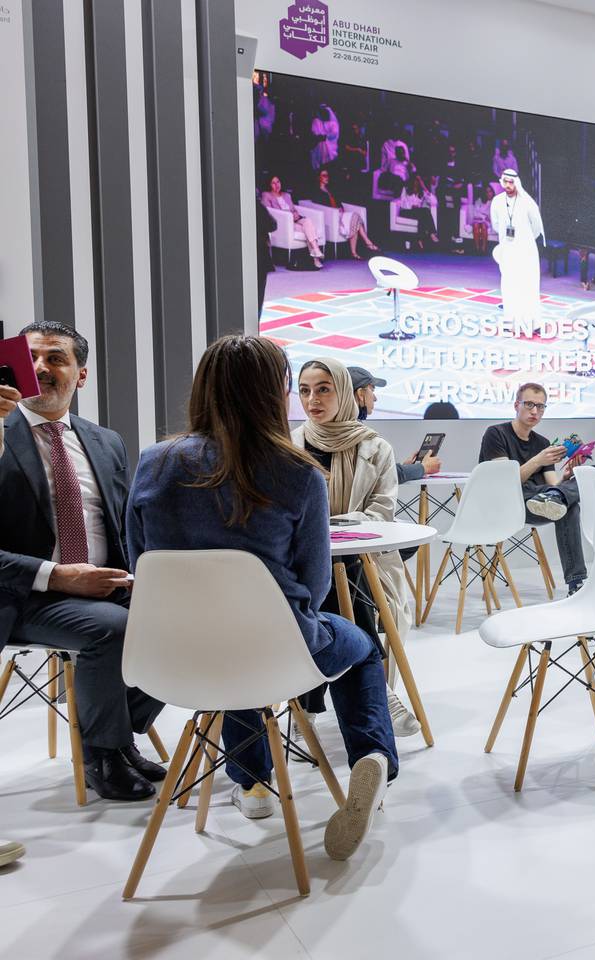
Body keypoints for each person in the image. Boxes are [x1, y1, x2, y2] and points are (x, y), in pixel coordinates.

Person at [126, 335, 396, 860]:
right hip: (278, 650)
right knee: (360, 643)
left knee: (232, 650)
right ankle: (374, 758)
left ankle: (251, 784)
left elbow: (140, 564)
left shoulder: (153, 463)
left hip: (173, 655)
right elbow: (316, 586)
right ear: (274, 393)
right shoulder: (297, 472)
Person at [0, 322, 166, 801]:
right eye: (30, 358)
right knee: (112, 629)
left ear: (81, 374)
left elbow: (124, 524)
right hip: (24, 595)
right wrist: (57, 576)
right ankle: (102, 752)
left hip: (104, 587)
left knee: (187, 617)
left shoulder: (105, 441)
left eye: (55, 358)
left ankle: (119, 727)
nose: (39, 368)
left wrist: (144, 576)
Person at [292, 359, 422, 741]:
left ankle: (307, 708)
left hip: (363, 558)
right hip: (302, 561)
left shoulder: (375, 446)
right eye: (304, 390)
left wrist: (326, 528)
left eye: (323, 389)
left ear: (345, 393)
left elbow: (381, 512)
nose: (312, 399)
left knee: (339, 576)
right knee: (329, 583)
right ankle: (379, 694)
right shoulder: (290, 446)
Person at [479, 383, 587, 595]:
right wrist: (538, 460)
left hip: (540, 502)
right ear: (516, 405)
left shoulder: (543, 442)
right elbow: (503, 483)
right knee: (566, 505)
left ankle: (576, 584)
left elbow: (552, 482)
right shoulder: (495, 434)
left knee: (587, 478)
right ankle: (576, 582)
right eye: (529, 404)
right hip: (508, 503)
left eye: (540, 406)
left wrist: (566, 477)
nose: (535, 411)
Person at [347, 365, 442, 483]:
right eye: (372, 390)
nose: (375, 398)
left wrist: (406, 468)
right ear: (360, 394)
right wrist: (423, 468)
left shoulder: (344, 426)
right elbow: (381, 476)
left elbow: (376, 471)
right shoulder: (351, 431)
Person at [489, 169, 545, 322]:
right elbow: (496, 224)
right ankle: (511, 319)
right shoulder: (497, 201)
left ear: (517, 183)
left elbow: (537, 228)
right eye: (505, 181)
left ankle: (530, 321)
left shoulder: (527, 202)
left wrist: (524, 239)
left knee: (527, 283)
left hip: (526, 250)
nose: (508, 185)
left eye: (511, 182)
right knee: (509, 283)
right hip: (507, 250)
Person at [312, 169, 378, 259]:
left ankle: (354, 253)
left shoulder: (330, 189)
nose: (327, 177)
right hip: (332, 216)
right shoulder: (317, 191)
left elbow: (338, 202)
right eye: (324, 175)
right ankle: (368, 243)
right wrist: (334, 210)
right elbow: (320, 206)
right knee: (355, 217)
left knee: (355, 221)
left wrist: (340, 208)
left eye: (327, 175)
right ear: (318, 177)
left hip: (339, 214)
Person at [261, 175, 323, 269]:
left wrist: (296, 214)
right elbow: (267, 210)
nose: (276, 185)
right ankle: (316, 258)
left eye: (278, 182)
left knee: (308, 221)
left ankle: (316, 250)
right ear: (269, 185)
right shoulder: (267, 195)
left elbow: (293, 209)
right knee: (307, 230)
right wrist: (289, 214)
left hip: (295, 220)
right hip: (284, 223)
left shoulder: (286, 195)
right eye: (273, 183)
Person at [397, 173, 440, 250]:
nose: (416, 183)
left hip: (417, 213)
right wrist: (411, 206)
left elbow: (434, 202)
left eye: (418, 181)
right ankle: (432, 233)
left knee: (423, 214)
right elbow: (402, 203)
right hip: (406, 212)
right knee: (425, 211)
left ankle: (420, 240)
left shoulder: (421, 193)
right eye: (415, 180)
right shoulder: (405, 190)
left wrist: (424, 187)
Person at [470, 183, 495, 256]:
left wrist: (484, 217)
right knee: (476, 225)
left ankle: (483, 248)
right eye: (487, 192)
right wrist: (483, 216)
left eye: (490, 191)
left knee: (484, 226)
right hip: (478, 219)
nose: (489, 193)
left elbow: (491, 215)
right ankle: (477, 248)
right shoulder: (479, 200)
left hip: (487, 221)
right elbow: (476, 212)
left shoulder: (495, 201)